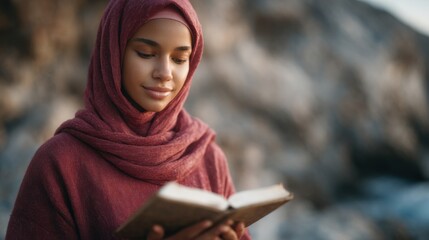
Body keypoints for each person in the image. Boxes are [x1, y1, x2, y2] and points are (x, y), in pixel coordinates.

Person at [5, 0, 250, 239]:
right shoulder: (60, 163)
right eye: (146, 53)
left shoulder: (205, 156)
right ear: (113, 54)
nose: (164, 73)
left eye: (179, 59)